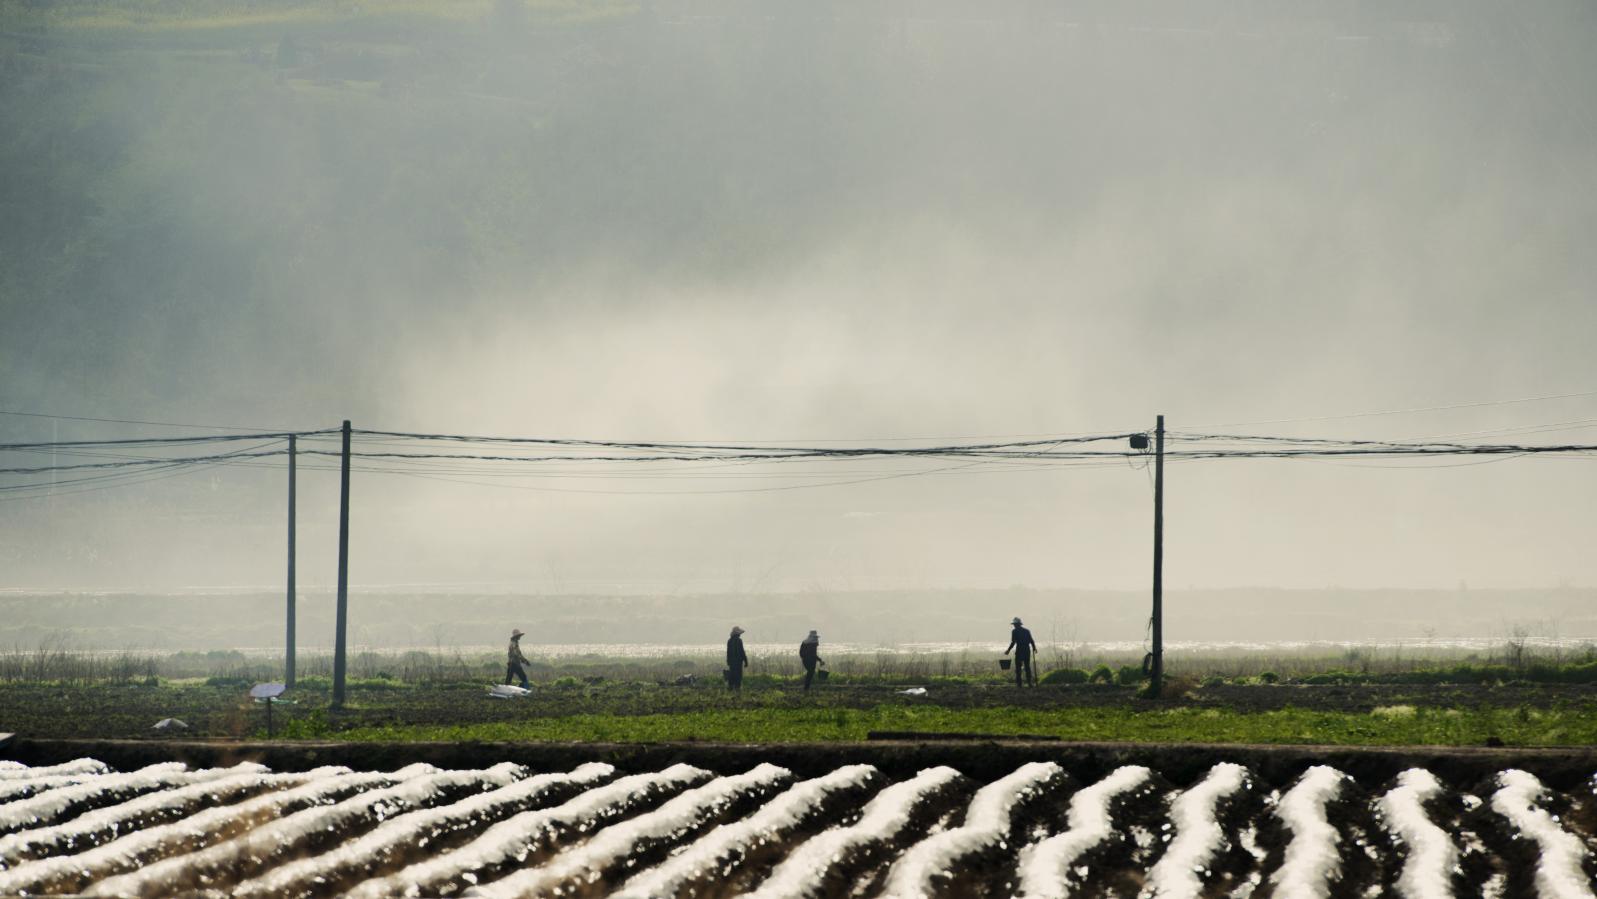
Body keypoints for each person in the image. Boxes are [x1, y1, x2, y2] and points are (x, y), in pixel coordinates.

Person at [1004, 616, 1038, 687]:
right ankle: (1029, 683)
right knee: (1027, 667)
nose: (1014, 625)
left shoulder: (1014, 631)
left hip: (1020, 650)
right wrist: (1034, 648)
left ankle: (1020, 684)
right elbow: (1031, 641)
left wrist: (1008, 650)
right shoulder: (1026, 631)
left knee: (1018, 667)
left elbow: (1013, 642)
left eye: (1015, 624)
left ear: (1017, 624)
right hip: (1026, 650)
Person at [726, 626, 749, 691]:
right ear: (737, 634)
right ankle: (737, 689)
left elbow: (728, 652)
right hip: (738, 662)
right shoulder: (739, 641)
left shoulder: (729, 641)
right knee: (738, 676)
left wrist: (728, 661)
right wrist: (746, 661)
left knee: (732, 675)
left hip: (732, 662)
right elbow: (742, 651)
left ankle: (730, 688)